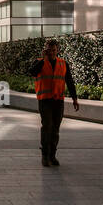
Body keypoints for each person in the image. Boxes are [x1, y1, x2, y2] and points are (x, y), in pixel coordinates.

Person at [27, 39, 79, 167]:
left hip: (58, 100)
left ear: (57, 50)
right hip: (45, 100)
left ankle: (52, 155)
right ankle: (45, 155)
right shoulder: (39, 62)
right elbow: (32, 72)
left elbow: (69, 81)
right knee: (47, 126)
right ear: (45, 50)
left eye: (54, 50)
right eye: (49, 50)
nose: (51, 52)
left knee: (55, 129)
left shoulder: (63, 63)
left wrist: (74, 98)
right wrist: (44, 59)